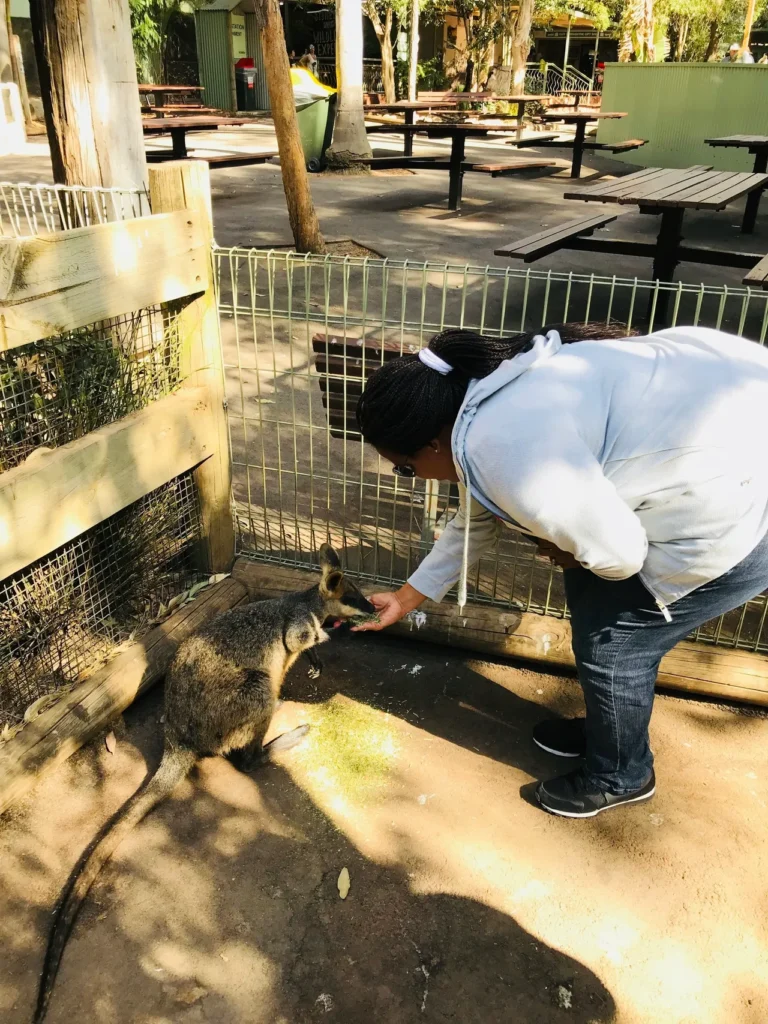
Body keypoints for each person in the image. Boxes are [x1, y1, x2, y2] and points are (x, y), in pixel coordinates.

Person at [352, 323, 768, 818]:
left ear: (432, 445)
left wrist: (570, 552)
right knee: (596, 611)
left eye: (405, 468)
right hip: (731, 446)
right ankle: (608, 732)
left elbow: (619, 556)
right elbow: (477, 518)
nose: (412, 478)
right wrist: (405, 599)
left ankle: (622, 774)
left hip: (741, 512)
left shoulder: (500, 446)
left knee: (615, 644)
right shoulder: (489, 395)